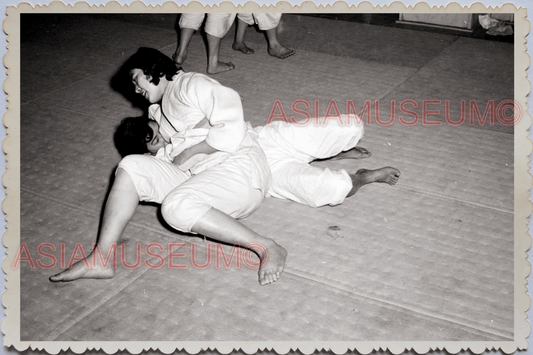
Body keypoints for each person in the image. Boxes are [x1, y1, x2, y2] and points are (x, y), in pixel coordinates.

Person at [50, 47, 287, 286]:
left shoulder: (190, 83)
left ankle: (266, 246)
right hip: (204, 180)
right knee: (131, 166)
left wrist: (190, 151)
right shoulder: (158, 112)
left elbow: (231, 115)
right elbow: (162, 154)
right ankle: (101, 258)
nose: (135, 89)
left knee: (175, 208)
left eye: (136, 79)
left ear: (155, 69)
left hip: (239, 171)